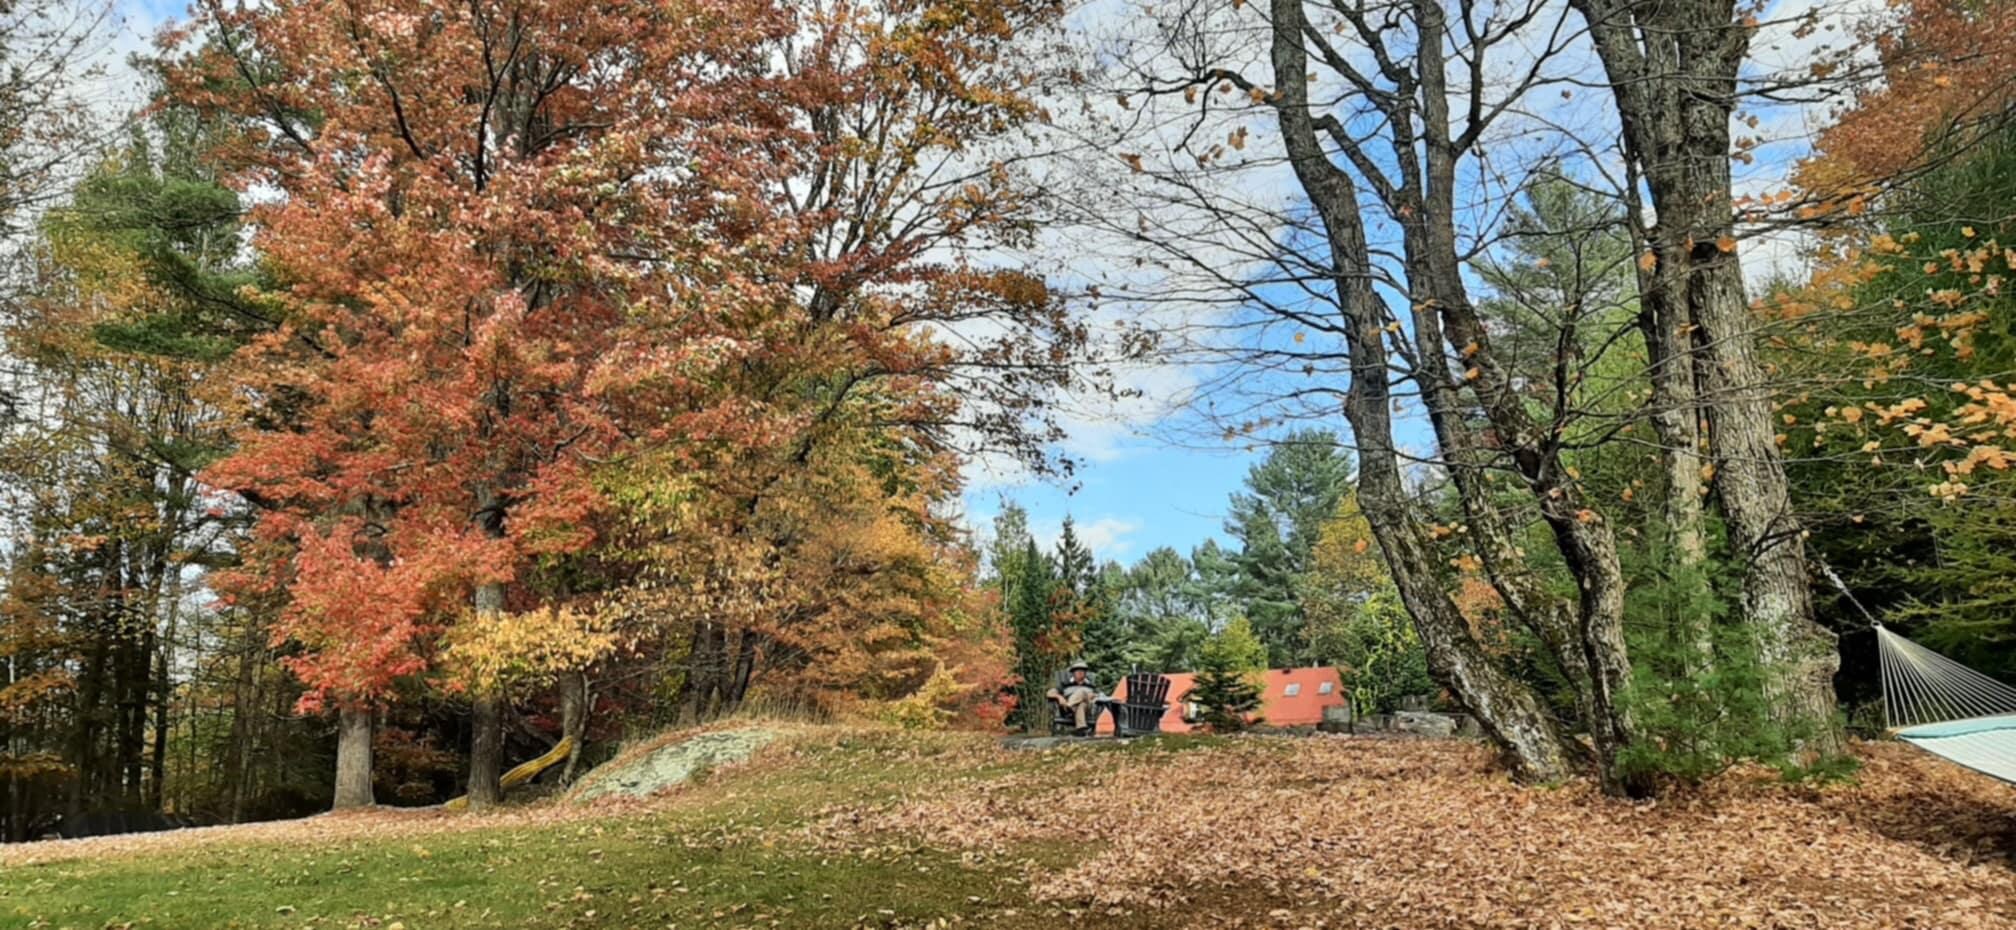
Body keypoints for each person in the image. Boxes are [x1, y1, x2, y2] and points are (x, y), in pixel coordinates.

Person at [1047, 661, 1106, 735]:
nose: (1080, 672)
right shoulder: (1065, 684)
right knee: (1081, 704)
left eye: (1082, 670)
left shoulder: (1091, 686)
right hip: (1067, 711)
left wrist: (1094, 695)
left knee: (1082, 693)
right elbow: (1049, 693)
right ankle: (1081, 728)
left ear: (1085, 673)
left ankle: (1069, 705)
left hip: (1087, 710)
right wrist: (1059, 697)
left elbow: (1102, 696)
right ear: (1073, 673)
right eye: (1077, 670)